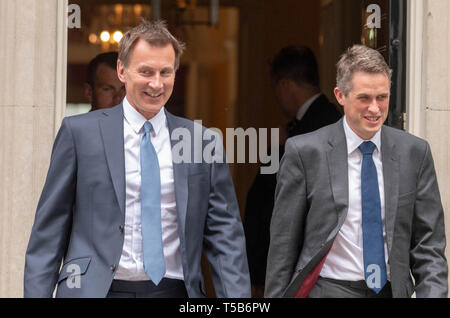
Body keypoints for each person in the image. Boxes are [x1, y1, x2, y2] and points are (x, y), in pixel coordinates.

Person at [24, 20, 250, 298]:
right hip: (97, 291)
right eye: (146, 72)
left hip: (174, 291)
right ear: (122, 70)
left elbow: (225, 236)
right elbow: (49, 232)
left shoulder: (201, 141)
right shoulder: (79, 133)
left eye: (165, 72)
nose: (156, 84)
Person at [265, 44, 448, 298]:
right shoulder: (305, 152)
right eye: (364, 98)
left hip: (390, 291)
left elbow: (429, 247)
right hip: (329, 289)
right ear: (340, 96)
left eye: (382, 97)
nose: (375, 108)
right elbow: (283, 247)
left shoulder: (414, 153)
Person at [243, 45, 341, 297]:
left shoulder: (310, 129)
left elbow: (268, 201)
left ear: (285, 85)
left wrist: (277, 149)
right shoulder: (328, 120)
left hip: (305, 267)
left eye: (276, 89)